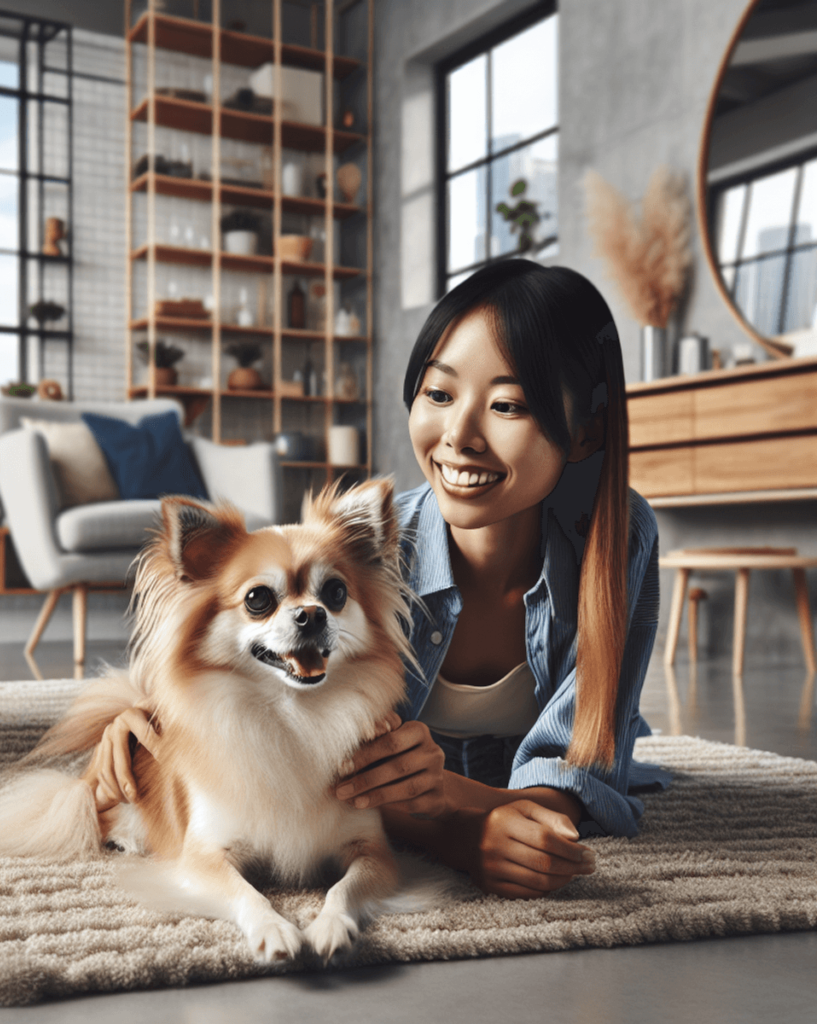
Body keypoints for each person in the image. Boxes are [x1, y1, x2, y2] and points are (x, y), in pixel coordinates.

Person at [86, 259, 669, 900]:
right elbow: (301, 760)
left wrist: (455, 799)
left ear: (585, 430)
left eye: (508, 405)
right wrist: (151, 725)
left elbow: (579, 777)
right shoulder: (372, 552)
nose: (458, 436)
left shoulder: (617, 536)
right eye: (439, 394)